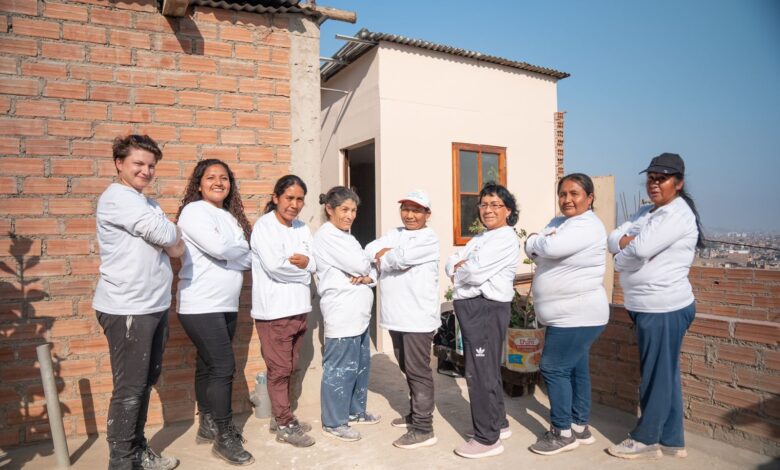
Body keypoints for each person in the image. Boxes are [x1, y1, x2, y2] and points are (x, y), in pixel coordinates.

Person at [93, 135, 184, 470]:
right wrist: (168, 238)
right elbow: (168, 238)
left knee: (145, 383)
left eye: (151, 165)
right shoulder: (117, 198)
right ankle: (121, 462)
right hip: (128, 307)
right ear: (119, 163)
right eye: (138, 164)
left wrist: (169, 239)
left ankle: (137, 451)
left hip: (153, 305)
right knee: (130, 388)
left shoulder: (147, 203)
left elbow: (174, 241)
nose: (146, 171)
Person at [606, 153, 703, 460]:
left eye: (661, 179)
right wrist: (628, 249)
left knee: (656, 376)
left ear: (679, 182)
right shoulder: (648, 212)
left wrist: (623, 257)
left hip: (663, 308)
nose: (654, 184)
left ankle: (646, 438)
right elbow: (612, 237)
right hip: (649, 306)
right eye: (651, 178)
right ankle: (672, 440)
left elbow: (640, 248)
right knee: (666, 374)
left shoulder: (675, 214)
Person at [524, 173, 609, 455]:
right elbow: (534, 247)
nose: (567, 199)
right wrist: (539, 243)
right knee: (574, 368)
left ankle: (562, 432)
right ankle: (579, 426)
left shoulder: (588, 225)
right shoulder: (559, 222)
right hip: (567, 314)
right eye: (563, 194)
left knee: (553, 367)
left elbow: (548, 246)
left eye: (574, 193)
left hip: (578, 313)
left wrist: (540, 242)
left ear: (590, 197)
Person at [175, 159, 254, 465]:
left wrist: (233, 254)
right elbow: (223, 250)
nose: (219, 182)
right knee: (223, 367)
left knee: (208, 365)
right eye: (211, 177)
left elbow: (243, 257)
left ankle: (207, 425)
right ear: (199, 183)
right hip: (201, 304)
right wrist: (234, 254)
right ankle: (224, 436)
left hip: (225, 303)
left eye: (224, 178)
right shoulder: (194, 212)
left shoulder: (229, 217)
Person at [445, 182, 521, 459]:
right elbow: (451, 262)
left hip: (485, 309)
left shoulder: (504, 238)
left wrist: (460, 271)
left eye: (495, 204)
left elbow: (473, 273)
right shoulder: (480, 239)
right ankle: (498, 424)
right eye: (483, 204)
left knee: (479, 372)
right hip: (475, 308)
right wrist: (459, 268)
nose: (487, 210)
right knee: (485, 368)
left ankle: (487, 438)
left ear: (508, 210)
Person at [365, 190, 440, 450]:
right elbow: (369, 250)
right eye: (406, 209)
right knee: (406, 367)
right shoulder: (395, 233)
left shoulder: (429, 239)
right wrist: (389, 254)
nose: (409, 215)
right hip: (396, 317)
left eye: (416, 210)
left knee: (419, 371)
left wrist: (388, 255)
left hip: (417, 317)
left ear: (427, 214)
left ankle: (423, 428)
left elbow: (401, 259)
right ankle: (415, 413)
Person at [251, 175, 317, 448]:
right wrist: (304, 270)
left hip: (299, 309)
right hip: (274, 312)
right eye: (289, 197)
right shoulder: (264, 227)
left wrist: (307, 265)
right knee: (279, 370)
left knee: (290, 367)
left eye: (300, 198)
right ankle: (284, 423)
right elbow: (275, 266)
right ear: (276, 197)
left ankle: (283, 416)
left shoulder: (302, 228)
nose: (295, 204)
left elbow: (314, 261)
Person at [312, 186, 380, 442]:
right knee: (339, 369)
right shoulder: (327, 236)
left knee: (359, 366)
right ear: (329, 209)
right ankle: (334, 421)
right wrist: (367, 269)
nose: (350, 215)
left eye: (353, 210)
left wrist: (368, 275)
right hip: (342, 313)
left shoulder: (347, 237)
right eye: (344, 210)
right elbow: (364, 263)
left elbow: (371, 272)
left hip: (359, 315)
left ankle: (355, 411)